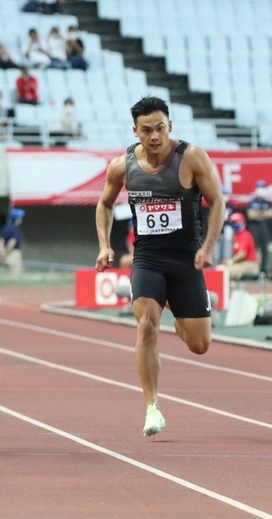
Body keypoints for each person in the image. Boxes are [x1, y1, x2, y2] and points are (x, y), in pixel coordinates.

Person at [95, 96, 224, 437]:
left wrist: (208, 247)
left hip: (186, 258)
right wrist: (105, 245)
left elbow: (218, 202)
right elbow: (104, 204)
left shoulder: (191, 157)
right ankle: (152, 407)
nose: (155, 136)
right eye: (147, 130)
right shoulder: (122, 166)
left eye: (161, 129)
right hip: (148, 258)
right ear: (135, 131)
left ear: (171, 127)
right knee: (146, 326)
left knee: (199, 344)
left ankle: (173, 302)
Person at [217, 212, 259, 280]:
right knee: (220, 268)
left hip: (249, 265)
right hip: (242, 264)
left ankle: (224, 290)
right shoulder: (237, 236)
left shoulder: (244, 235)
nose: (235, 225)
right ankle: (228, 290)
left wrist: (230, 262)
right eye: (234, 223)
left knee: (221, 270)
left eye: (237, 222)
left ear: (244, 224)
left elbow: (242, 254)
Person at [247, 180, 271, 275]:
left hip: (265, 227)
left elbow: (270, 214)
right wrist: (264, 213)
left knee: (265, 249)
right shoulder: (253, 202)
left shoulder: (268, 202)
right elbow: (251, 215)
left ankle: (264, 270)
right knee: (255, 248)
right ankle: (256, 270)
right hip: (255, 227)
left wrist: (259, 214)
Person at [0, 208, 24, 279]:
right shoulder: (15, 230)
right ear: (17, 219)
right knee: (14, 276)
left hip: (4, 253)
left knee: (5, 276)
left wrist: (2, 253)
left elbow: (0, 242)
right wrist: (6, 254)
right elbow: (12, 243)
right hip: (13, 253)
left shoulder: (5, 228)